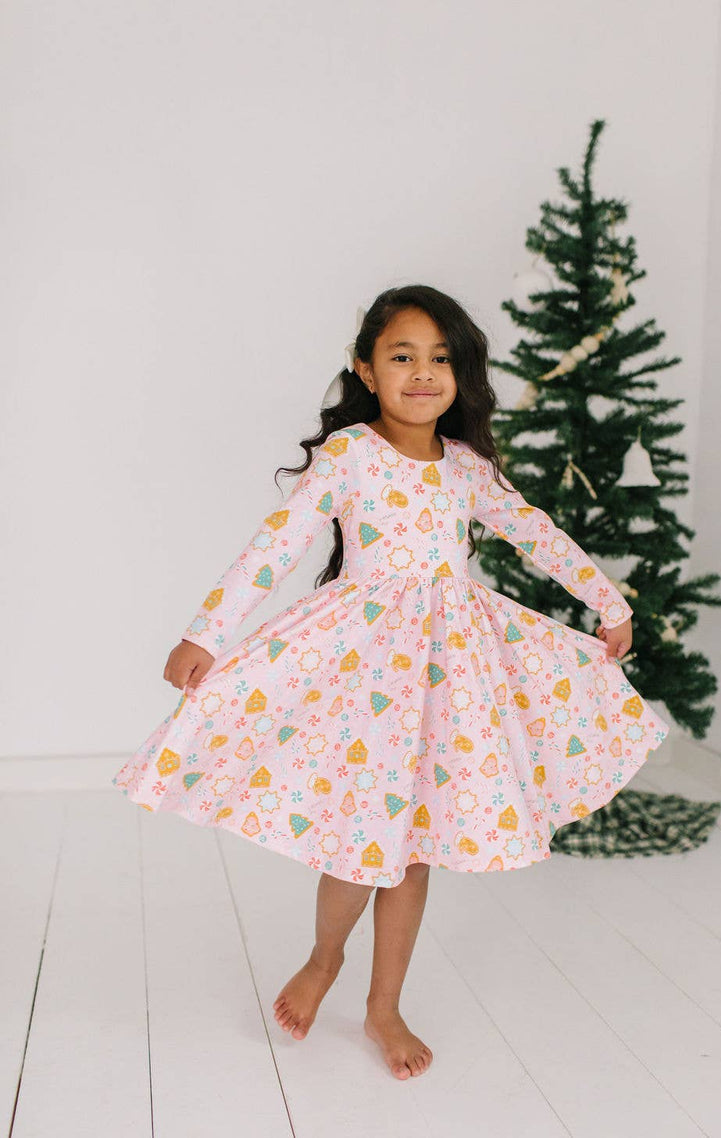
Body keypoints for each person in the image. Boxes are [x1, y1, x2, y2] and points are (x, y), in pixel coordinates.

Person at [112, 284, 669, 1080]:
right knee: (361, 841)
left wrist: (607, 602)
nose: (422, 373)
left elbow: (537, 534)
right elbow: (275, 547)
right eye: (402, 356)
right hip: (365, 669)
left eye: (441, 359)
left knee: (415, 850)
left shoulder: (468, 468)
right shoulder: (350, 456)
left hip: (451, 674)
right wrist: (205, 632)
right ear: (367, 371)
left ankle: (385, 1006)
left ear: (461, 375)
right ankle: (324, 957)